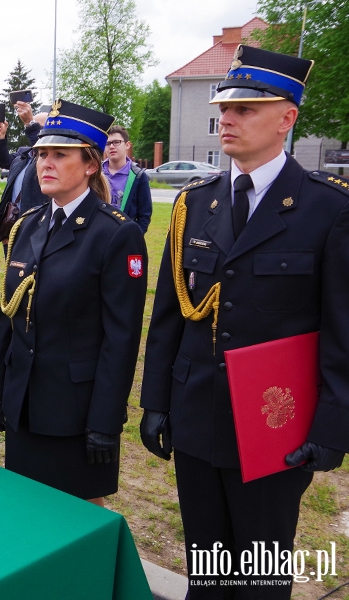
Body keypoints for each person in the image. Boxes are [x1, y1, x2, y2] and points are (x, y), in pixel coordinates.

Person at [139, 46, 347, 597]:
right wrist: (156, 402)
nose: (227, 118)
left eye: (246, 110)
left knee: (259, 573)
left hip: (275, 422)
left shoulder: (328, 210)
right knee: (204, 567)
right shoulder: (195, 202)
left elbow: (342, 333)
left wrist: (331, 428)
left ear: (288, 118)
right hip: (198, 413)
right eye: (224, 108)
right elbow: (168, 315)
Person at [0, 100, 147, 505]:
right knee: (27, 516)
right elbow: (9, 313)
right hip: (24, 401)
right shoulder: (28, 225)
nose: (45, 163)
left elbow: (120, 339)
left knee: (74, 525)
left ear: (91, 164)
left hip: (75, 412)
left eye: (60, 154)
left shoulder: (115, 234)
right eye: (41, 154)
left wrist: (106, 421)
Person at [0, 101, 49, 250]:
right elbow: (4, 161)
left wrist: (30, 123)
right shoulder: (25, 154)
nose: (37, 131)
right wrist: (1, 138)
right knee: (11, 267)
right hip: (12, 221)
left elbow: (44, 146)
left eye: (39, 126)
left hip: (36, 223)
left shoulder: (48, 159)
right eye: (36, 127)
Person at [101, 125, 152, 233]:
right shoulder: (96, 173)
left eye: (116, 142)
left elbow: (144, 215)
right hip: (99, 235)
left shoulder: (138, 176)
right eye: (108, 143)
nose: (111, 147)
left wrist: (133, 238)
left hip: (124, 236)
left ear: (127, 145)